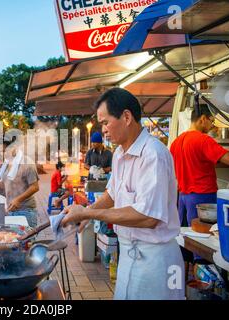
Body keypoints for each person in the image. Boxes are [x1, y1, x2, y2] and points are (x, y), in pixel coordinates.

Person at [61, 88, 184, 300]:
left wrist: (89, 214)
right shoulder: (119, 154)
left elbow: (148, 217)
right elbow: (113, 193)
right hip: (128, 254)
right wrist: (86, 211)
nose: (104, 130)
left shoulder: (153, 154)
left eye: (106, 122)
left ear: (126, 117)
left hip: (156, 260)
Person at [170, 105, 229, 230]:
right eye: (211, 121)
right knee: (205, 237)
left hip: (183, 197)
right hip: (202, 197)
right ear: (203, 119)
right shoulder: (203, 140)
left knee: (186, 235)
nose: (212, 125)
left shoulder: (176, 141)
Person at [0, 138, 40, 227]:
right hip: (10, 210)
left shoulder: (27, 163)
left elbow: (35, 187)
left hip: (26, 211)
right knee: (14, 239)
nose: (2, 154)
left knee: (26, 240)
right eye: (0, 151)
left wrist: (18, 199)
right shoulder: (6, 164)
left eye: (4, 151)